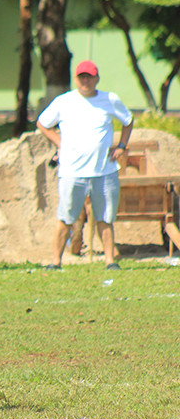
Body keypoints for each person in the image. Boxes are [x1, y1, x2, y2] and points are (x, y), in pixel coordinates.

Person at [37, 59, 133, 270]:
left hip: (104, 171)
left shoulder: (110, 99)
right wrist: (60, 143)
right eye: (82, 77)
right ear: (76, 79)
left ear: (97, 79)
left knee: (105, 218)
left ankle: (110, 261)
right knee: (66, 217)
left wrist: (122, 146)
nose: (85, 81)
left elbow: (128, 121)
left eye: (89, 77)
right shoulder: (64, 101)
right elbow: (43, 123)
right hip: (72, 171)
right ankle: (56, 262)